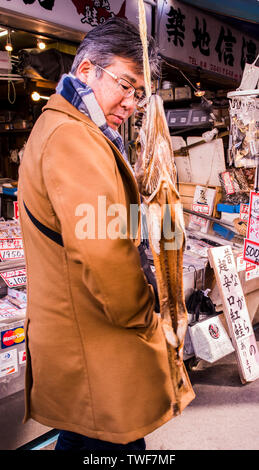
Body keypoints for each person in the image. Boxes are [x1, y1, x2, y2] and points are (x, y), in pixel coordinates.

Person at [18, 17, 174, 451]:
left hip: (85, 339)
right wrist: (143, 313)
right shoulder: (74, 136)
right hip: (96, 340)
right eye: (125, 84)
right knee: (106, 445)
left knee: (90, 440)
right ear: (86, 71)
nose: (131, 102)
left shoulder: (80, 130)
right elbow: (104, 250)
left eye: (138, 93)